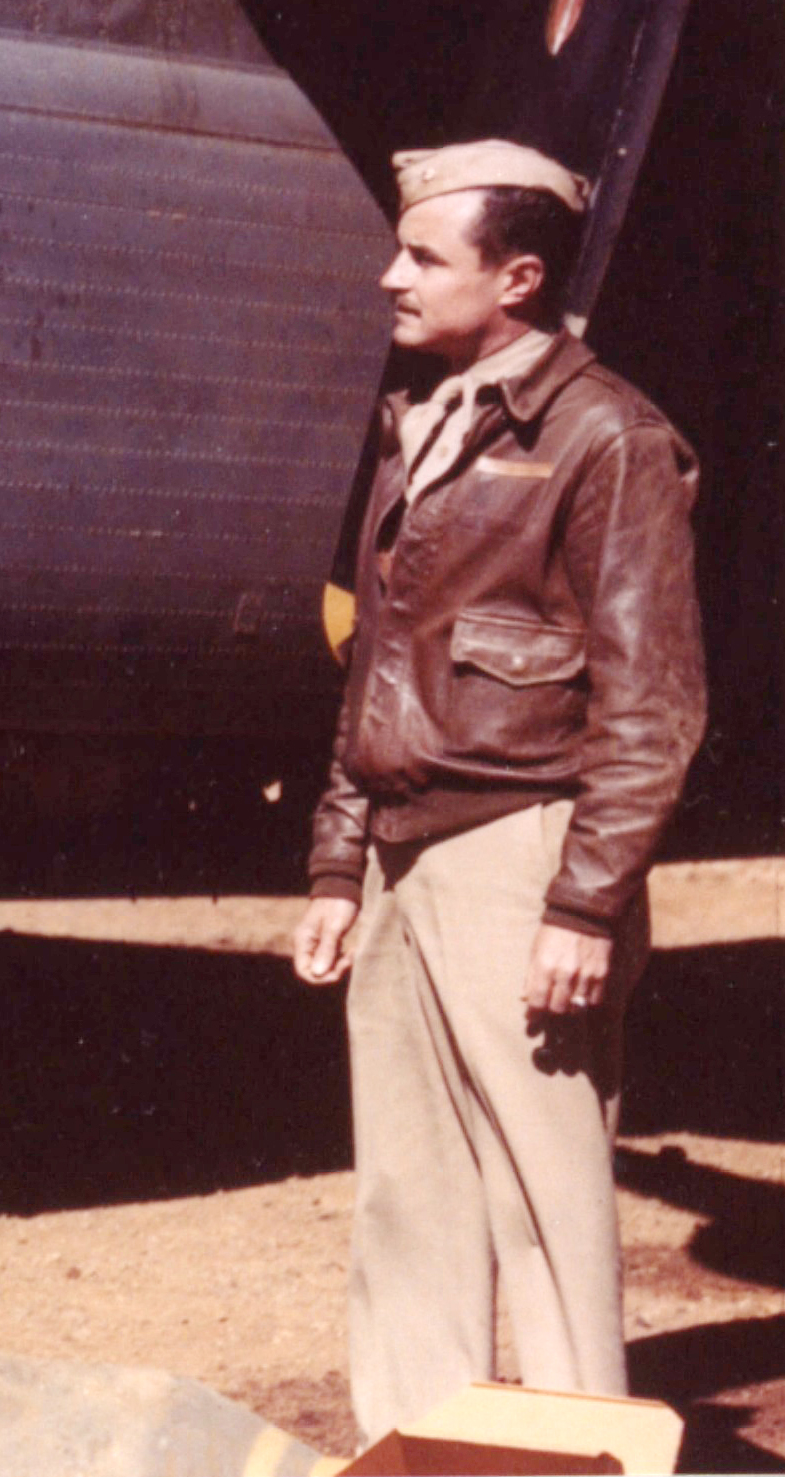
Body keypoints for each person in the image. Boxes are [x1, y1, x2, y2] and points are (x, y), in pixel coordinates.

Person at [291, 139, 705, 1440]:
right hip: (402, 858)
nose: (387, 276)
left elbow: (652, 702)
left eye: (422, 256)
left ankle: (587, 1452)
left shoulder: (609, 437)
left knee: (542, 1196)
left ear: (516, 275)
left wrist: (584, 905)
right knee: (406, 1200)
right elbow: (375, 668)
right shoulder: (420, 422)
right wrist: (334, 862)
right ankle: (415, 1452)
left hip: (521, 854)